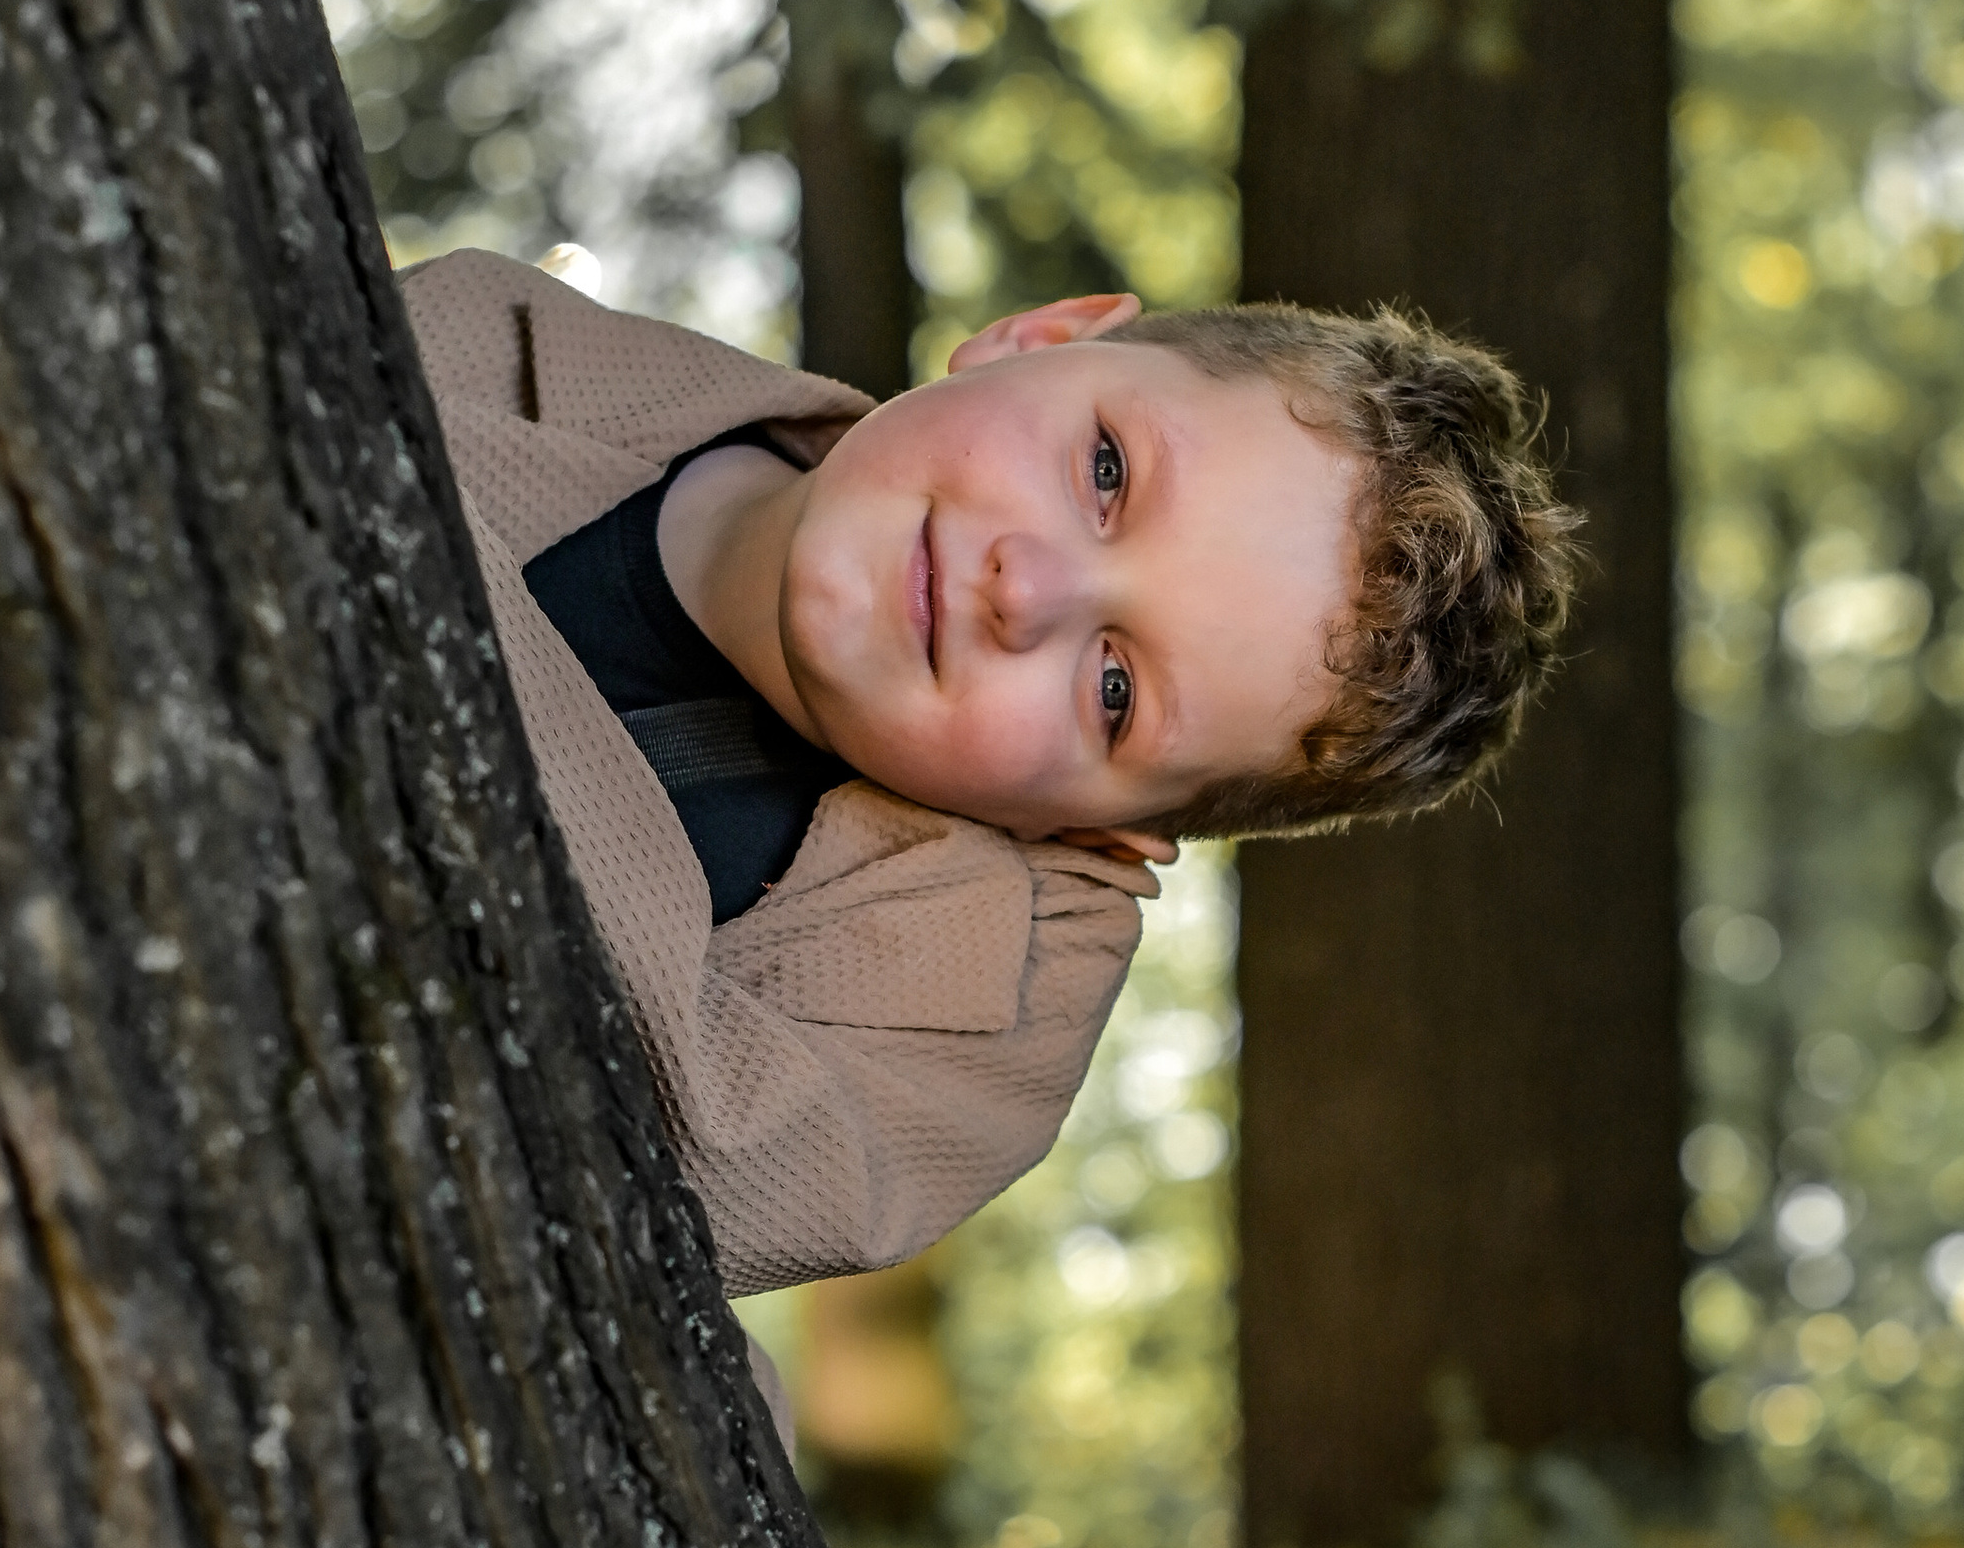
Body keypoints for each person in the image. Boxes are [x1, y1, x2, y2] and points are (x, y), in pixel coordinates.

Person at [403, 245, 1578, 1314]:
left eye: (1115, 689)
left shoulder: (966, 1013)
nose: (1028, 589)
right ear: (1038, 337)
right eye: (1105, 472)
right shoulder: (489, 339)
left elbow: (634, 1169)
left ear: (1102, 835)